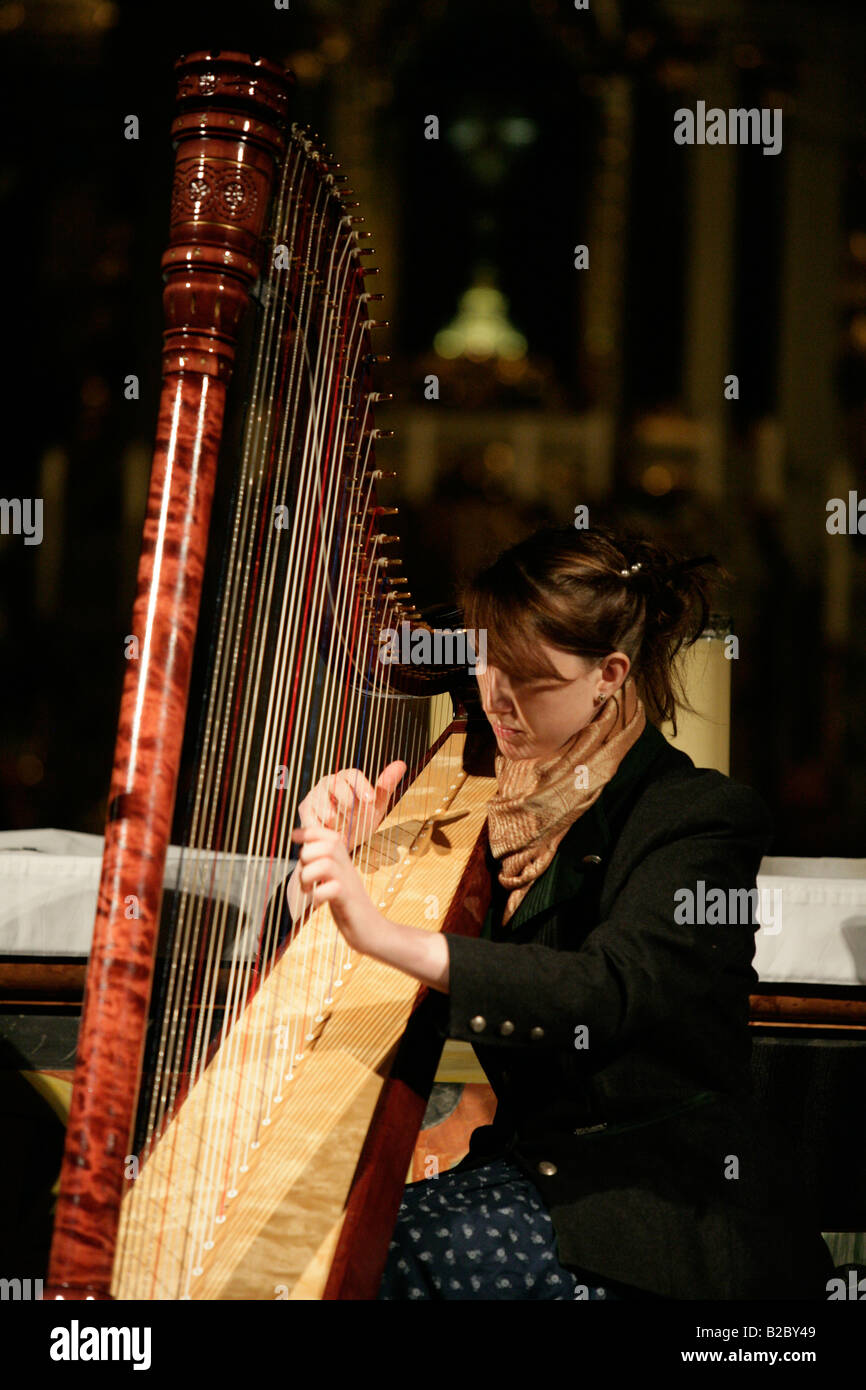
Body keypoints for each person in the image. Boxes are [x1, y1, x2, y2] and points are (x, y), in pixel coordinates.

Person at [287, 524, 833, 1301]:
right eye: (485, 662)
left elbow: (604, 992)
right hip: (534, 1180)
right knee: (322, 1244)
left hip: (657, 1220)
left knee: (377, 1261)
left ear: (609, 674)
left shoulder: (699, 819)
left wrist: (383, 933)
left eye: (528, 679)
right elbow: (372, 970)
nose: (496, 698)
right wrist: (326, 876)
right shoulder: (495, 801)